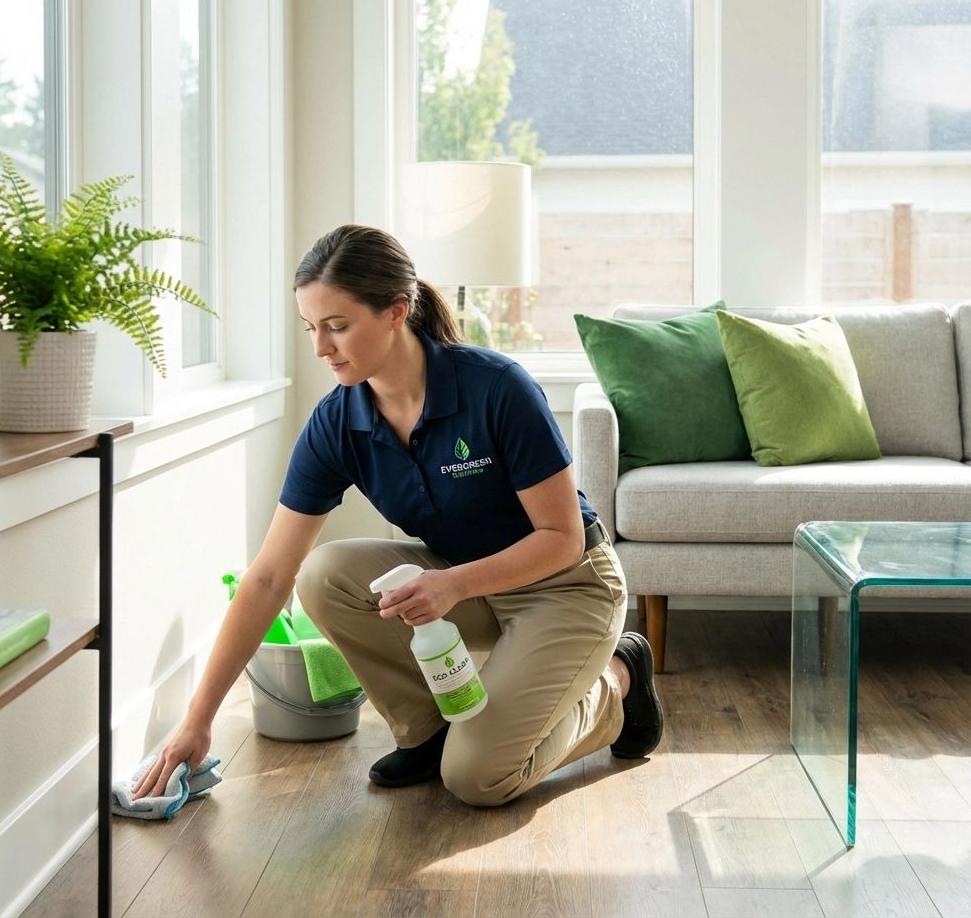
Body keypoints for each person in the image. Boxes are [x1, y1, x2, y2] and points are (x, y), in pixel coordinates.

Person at [134, 224, 663, 807]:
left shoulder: (495, 388)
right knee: (323, 573)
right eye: (311, 327)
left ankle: (619, 680)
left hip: (566, 584)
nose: (320, 348)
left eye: (337, 326)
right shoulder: (337, 422)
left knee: (478, 780)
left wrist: (453, 583)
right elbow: (267, 577)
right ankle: (430, 732)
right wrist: (197, 720)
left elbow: (562, 538)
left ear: (396, 312)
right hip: (460, 581)